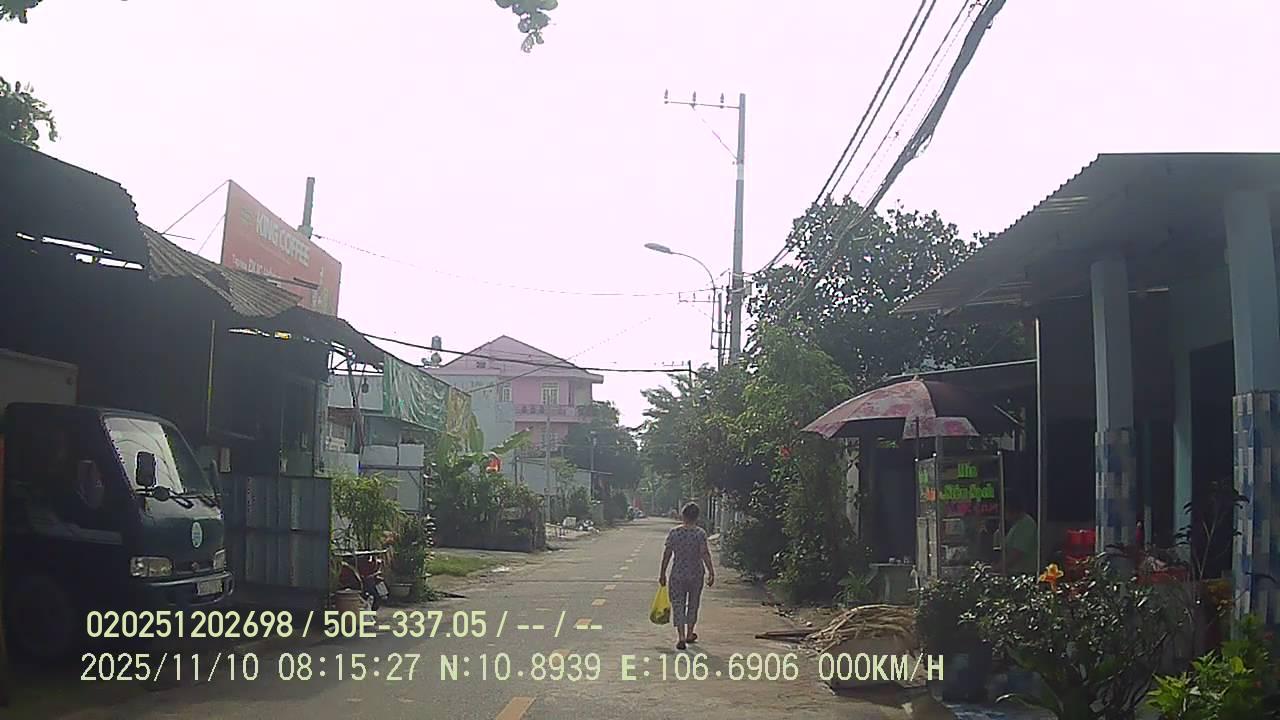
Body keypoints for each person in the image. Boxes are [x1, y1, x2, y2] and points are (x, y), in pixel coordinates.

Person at [659, 502, 714, 650]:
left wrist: (662, 573)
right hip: (696, 574)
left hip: (678, 574)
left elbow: (667, 554)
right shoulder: (700, 533)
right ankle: (690, 633)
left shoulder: (674, 533)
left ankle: (681, 636)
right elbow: (704, 553)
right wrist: (711, 572)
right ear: (697, 517)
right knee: (693, 603)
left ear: (683, 515)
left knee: (678, 604)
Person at [1002, 493, 1038, 575]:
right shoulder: (1017, 524)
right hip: (1016, 572)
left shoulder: (1026, 525)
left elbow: (1016, 554)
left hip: (1024, 574)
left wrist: (998, 568)